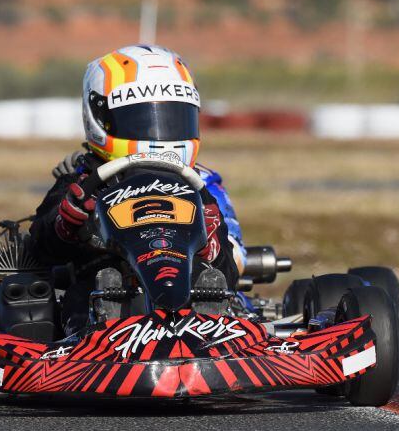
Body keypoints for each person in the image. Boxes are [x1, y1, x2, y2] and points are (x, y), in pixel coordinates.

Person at [30, 45, 246, 327]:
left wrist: (212, 246)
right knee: (88, 289)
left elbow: (233, 269)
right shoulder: (83, 180)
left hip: (192, 289)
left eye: (174, 118)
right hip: (100, 292)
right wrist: (65, 224)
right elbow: (39, 248)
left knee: (212, 282)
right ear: (100, 117)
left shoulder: (203, 185)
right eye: (141, 119)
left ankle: (210, 323)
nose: (160, 132)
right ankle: (98, 331)